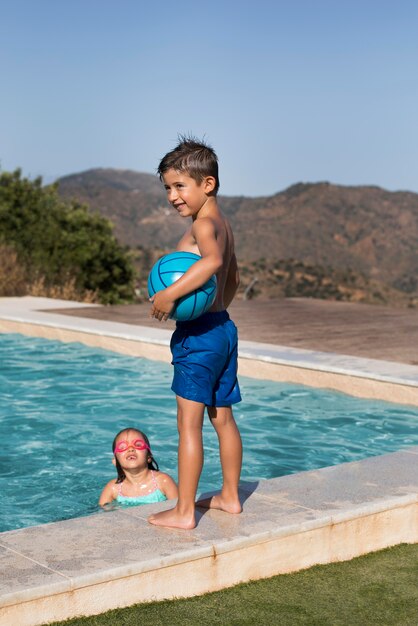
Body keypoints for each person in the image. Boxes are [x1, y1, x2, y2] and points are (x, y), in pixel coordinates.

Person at [148, 136, 243, 530]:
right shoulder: (222, 223)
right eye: (168, 187)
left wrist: (170, 294)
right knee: (223, 418)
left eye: (180, 186)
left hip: (200, 335)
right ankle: (230, 496)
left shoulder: (204, 225)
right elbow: (232, 276)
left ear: (208, 184)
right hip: (223, 328)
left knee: (189, 424)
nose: (172, 195)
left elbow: (215, 262)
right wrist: (217, 304)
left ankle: (185, 511)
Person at [98, 427, 178, 507]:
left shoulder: (163, 481)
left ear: (149, 457)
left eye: (138, 445)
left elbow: (180, 509)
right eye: (122, 447)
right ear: (115, 461)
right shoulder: (113, 488)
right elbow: (101, 514)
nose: (130, 449)